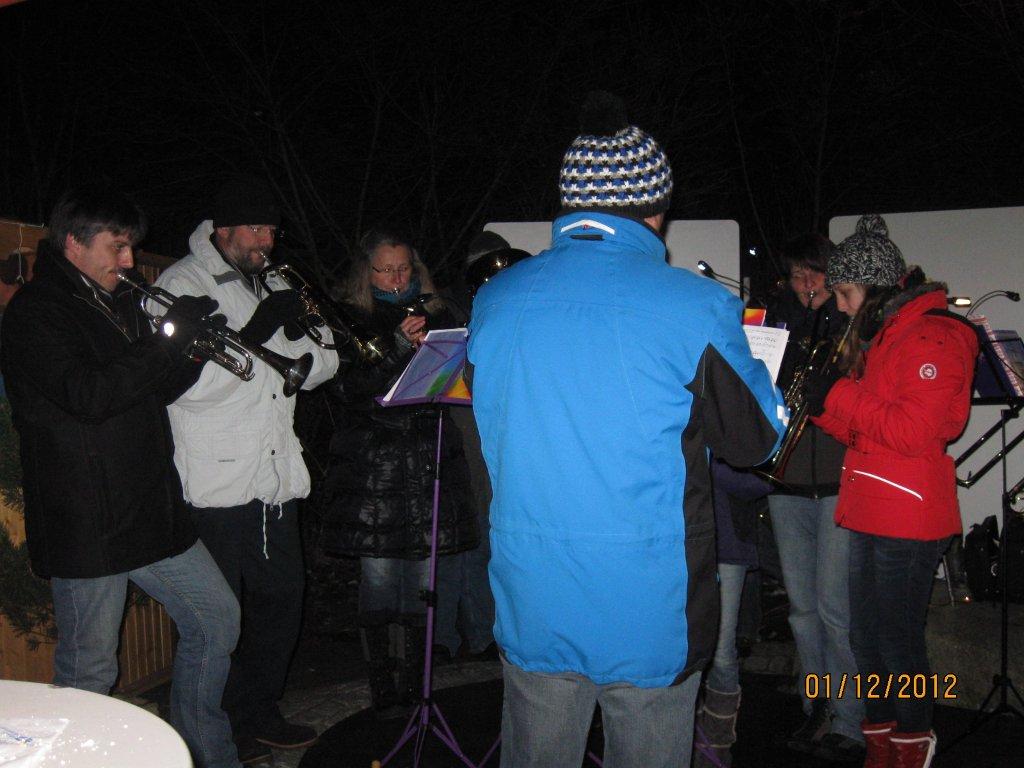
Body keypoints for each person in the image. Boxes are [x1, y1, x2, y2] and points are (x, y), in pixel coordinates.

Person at [467, 90, 787, 768]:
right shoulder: (696, 305)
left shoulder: (495, 300)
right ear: (657, 210)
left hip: (533, 589)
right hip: (650, 602)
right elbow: (756, 441)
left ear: (570, 204)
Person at [0, 182, 242, 768]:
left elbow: (151, 390)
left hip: (148, 508)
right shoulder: (36, 312)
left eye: (131, 246)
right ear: (74, 244)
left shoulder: (115, 301)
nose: (130, 260)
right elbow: (90, 395)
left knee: (216, 621)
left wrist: (190, 350)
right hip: (89, 520)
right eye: (118, 246)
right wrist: (165, 343)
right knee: (89, 670)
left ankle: (203, 754)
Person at [154, 175, 339, 762]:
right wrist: (258, 331)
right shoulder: (182, 283)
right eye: (256, 229)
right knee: (221, 614)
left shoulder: (275, 279)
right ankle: (221, 723)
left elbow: (325, 363)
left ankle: (260, 712)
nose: (266, 241)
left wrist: (301, 344)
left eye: (272, 230)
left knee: (282, 602)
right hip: (215, 480)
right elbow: (186, 390)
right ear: (223, 229)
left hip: (275, 473)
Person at [806, 215, 978, 768]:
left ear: (877, 287)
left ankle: (910, 750)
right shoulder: (888, 335)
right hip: (871, 506)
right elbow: (869, 431)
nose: (839, 306)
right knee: (867, 641)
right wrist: (820, 406)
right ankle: (880, 750)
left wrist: (838, 393)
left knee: (898, 644)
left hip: (908, 512)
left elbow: (911, 432)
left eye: (845, 293)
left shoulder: (936, 335)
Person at [321, 228, 478, 714]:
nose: (396, 277)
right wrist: (395, 347)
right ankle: (382, 688)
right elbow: (346, 390)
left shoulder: (439, 311)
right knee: (380, 577)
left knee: (422, 578)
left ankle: (415, 682)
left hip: (428, 458)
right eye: (385, 269)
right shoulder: (346, 316)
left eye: (404, 268)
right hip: (375, 468)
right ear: (365, 273)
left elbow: (456, 379)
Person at [764, 233, 866, 762]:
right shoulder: (776, 324)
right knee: (802, 609)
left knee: (833, 609)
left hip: (838, 482)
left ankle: (850, 717)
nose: (806, 284)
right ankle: (816, 706)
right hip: (786, 483)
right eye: (797, 275)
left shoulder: (853, 328)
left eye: (815, 273)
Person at [434, 231, 527, 662]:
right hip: (466, 426)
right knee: (475, 528)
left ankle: (490, 630)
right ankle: (466, 633)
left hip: (508, 424)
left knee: (499, 529)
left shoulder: (518, 303)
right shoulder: (452, 308)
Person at [693, 459, 771, 768]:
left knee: (721, 652)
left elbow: (760, 481)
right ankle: (689, 737)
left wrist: (702, 458)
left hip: (725, 543)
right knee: (682, 652)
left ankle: (715, 746)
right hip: (678, 544)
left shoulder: (722, 428)